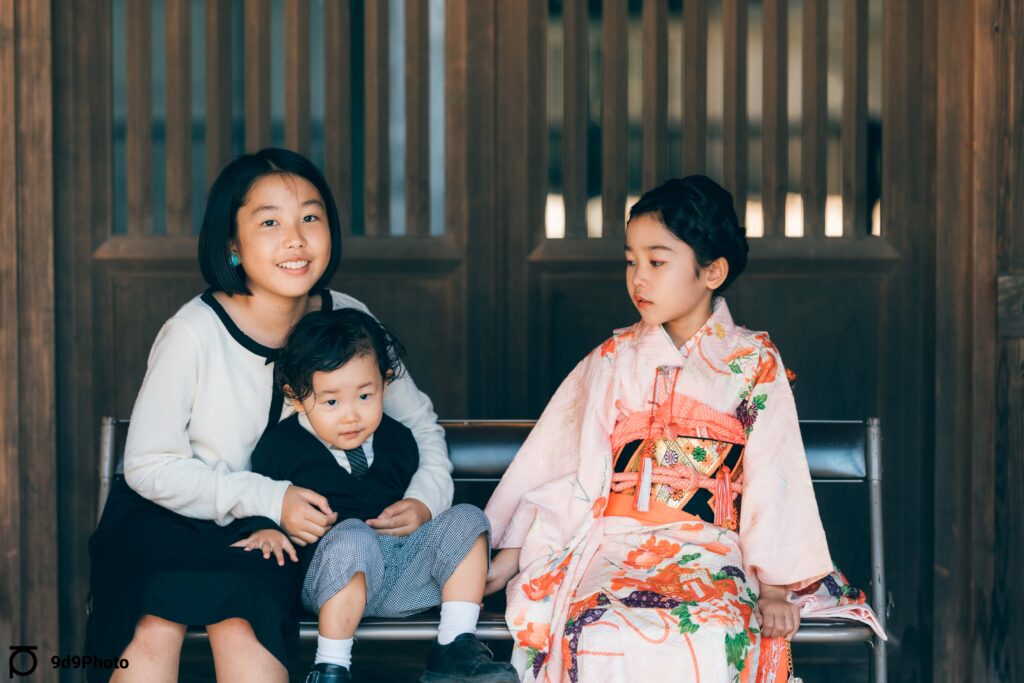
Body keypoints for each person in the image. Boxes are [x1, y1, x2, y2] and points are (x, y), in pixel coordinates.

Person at [85, 148, 452, 683]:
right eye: (270, 222)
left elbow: (420, 426)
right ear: (231, 244)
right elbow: (147, 465)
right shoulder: (194, 332)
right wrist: (268, 498)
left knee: (243, 618)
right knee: (154, 624)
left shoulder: (348, 321)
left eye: (310, 217)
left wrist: (425, 499)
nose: (295, 240)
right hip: (170, 520)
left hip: (276, 536)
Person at [483, 176, 834, 682]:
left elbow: (776, 475)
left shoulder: (755, 363)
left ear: (712, 271)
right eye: (631, 261)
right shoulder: (612, 358)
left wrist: (775, 586)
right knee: (595, 629)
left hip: (710, 548)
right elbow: (568, 467)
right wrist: (512, 555)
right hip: (616, 542)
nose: (638, 279)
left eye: (656, 261)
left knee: (718, 629)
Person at [234, 307, 519, 683]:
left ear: (385, 384)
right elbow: (260, 494)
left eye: (365, 395)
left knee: (468, 517)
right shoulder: (280, 447)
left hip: (400, 575)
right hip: (328, 577)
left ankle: (455, 647)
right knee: (353, 534)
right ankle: (331, 667)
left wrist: (420, 507)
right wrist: (264, 528)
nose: (351, 415)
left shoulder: (398, 440)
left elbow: (423, 513)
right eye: (332, 402)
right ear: (297, 397)